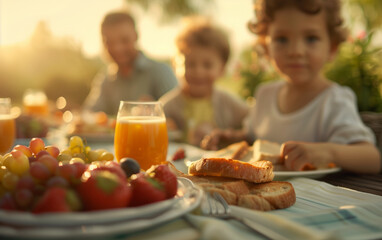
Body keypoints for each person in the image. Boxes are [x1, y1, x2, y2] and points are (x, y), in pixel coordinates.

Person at [201, 0, 381, 173]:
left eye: (311, 38)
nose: (295, 51)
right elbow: (252, 138)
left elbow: (371, 158)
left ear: (332, 47)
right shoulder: (265, 94)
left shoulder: (334, 99)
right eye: (281, 39)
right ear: (266, 46)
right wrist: (231, 140)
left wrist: (328, 152)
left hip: (319, 199)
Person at [159, 18, 249, 146]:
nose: (198, 72)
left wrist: (229, 135)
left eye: (207, 65)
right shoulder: (167, 107)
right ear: (176, 66)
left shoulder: (229, 104)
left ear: (221, 69)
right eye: (190, 64)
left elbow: (252, 128)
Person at [84, 10, 178, 116]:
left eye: (124, 40)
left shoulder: (161, 72)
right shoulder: (105, 79)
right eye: (109, 42)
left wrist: (153, 111)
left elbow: (178, 118)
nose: (117, 48)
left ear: (136, 36)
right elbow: (90, 114)